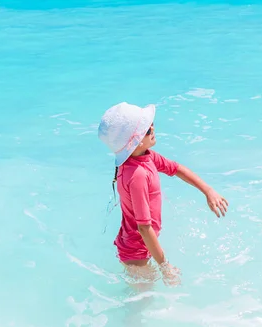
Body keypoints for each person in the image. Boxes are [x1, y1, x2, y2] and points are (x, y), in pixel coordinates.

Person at [98, 102, 229, 286]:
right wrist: (164, 266)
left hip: (137, 245)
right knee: (141, 304)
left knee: (143, 299)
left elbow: (176, 168)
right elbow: (144, 228)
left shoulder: (146, 156)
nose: (152, 128)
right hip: (136, 254)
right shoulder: (138, 176)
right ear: (135, 142)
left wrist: (208, 190)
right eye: (147, 130)